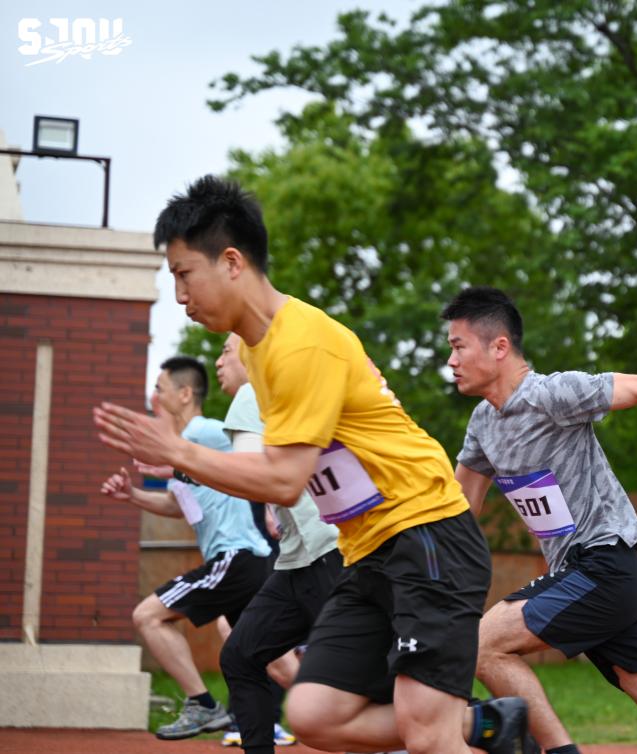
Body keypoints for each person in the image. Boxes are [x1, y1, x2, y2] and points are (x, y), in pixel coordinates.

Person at [93, 175, 530, 754]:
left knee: (426, 734)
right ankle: (485, 725)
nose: (179, 295)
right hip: (366, 550)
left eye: (183, 274)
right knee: (314, 713)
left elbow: (283, 479)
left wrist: (177, 452)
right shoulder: (260, 348)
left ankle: (459, 729)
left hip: (425, 533)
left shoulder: (300, 342)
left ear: (231, 262)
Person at [442, 286, 637, 754]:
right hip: (583, 580)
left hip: (602, 565)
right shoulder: (483, 423)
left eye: (459, 346)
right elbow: (459, 508)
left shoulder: (551, 394)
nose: (452, 361)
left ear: (499, 347)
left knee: (486, 644)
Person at [100, 356, 271, 740]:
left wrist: (274, 505)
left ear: (185, 394)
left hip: (236, 556)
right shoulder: (180, 449)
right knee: (272, 660)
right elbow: (178, 504)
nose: (154, 396)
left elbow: (257, 450)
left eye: (159, 388)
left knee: (148, 616)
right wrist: (132, 495)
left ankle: (203, 705)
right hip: (242, 561)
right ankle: (347, 706)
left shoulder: (205, 431)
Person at [214, 331, 343, 753]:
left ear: (252, 357)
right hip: (299, 560)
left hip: (331, 555)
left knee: (356, 682)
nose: (219, 362)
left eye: (226, 351)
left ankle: (475, 723)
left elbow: (249, 475)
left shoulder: (252, 393)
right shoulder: (286, 395)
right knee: (241, 654)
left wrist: (180, 461)